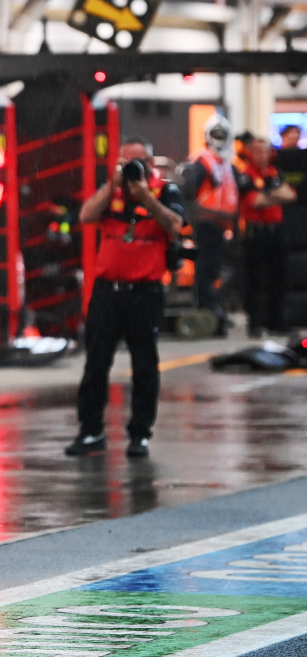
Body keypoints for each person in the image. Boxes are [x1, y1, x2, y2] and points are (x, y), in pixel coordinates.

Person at [66, 138, 185, 459]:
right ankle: (91, 431)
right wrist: (112, 186)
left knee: (145, 365)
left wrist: (144, 194)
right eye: (125, 164)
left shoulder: (166, 191)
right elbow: (86, 216)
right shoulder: (111, 193)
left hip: (145, 294)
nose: (131, 169)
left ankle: (140, 434)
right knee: (96, 365)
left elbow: (174, 225)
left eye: (137, 163)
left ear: (150, 163)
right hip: (107, 292)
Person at [183, 114, 239, 337]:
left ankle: (214, 307)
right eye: (216, 134)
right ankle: (207, 309)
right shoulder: (202, 161)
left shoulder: (224, 163)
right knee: (205, 271)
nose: (219, 138)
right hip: (206, 224)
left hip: (221, 224)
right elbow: (189, 193)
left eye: (222, 135)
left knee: (217, 271)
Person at [235, 138, 297, 337]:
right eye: (258, 151)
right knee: (254, 279)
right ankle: (255, 323)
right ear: (251, 153)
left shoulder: (274, 172)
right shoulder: (246, 175)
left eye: (265, 151)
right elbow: (254, 201)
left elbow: (290, 195)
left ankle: (277, 321)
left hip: (276, 230)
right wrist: (274, 195)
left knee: (279, 277)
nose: (262, 155)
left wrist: (267, 194)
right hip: (256, 231)